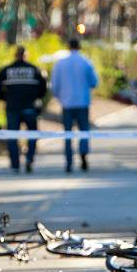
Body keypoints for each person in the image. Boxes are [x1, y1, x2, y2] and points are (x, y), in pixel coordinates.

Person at [0, 46, 47, 173]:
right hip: (30, 107)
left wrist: (5, 99)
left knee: (12, 136)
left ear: (15, 55)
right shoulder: (34, 69)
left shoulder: (6, 70)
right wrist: (36, 98)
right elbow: (43, 88)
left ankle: (15, 163)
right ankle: (29, 159)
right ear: (26, 56)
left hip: (13, 107)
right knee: (32, 134)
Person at [50, 38, 99, 172]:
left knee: (68, 133)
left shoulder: (60, 64)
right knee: (84, 131)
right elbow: (94, 82)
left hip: (67, 103)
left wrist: (59, 97)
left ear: (68, 47)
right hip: (82, 102)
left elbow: (54, 85)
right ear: (80, 47)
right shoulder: (86, 62)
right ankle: (83, 156)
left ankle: (69, 162)